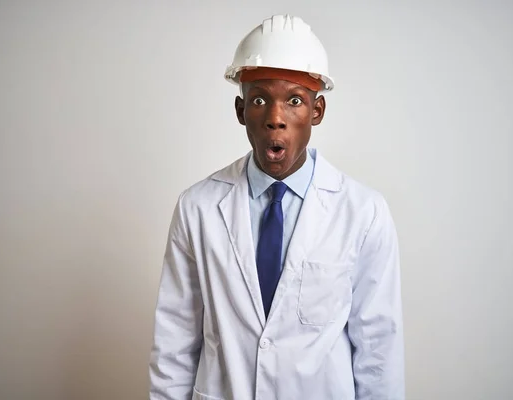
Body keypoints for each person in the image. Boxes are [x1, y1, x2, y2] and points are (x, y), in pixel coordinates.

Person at [149, 14, 404, 400]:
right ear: (240, 111)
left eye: (295, 100)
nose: (275, 119)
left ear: (316, 112)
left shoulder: (364, 213)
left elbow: (379, 351)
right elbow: (174, 343)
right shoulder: (197, 208)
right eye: (259, 100)